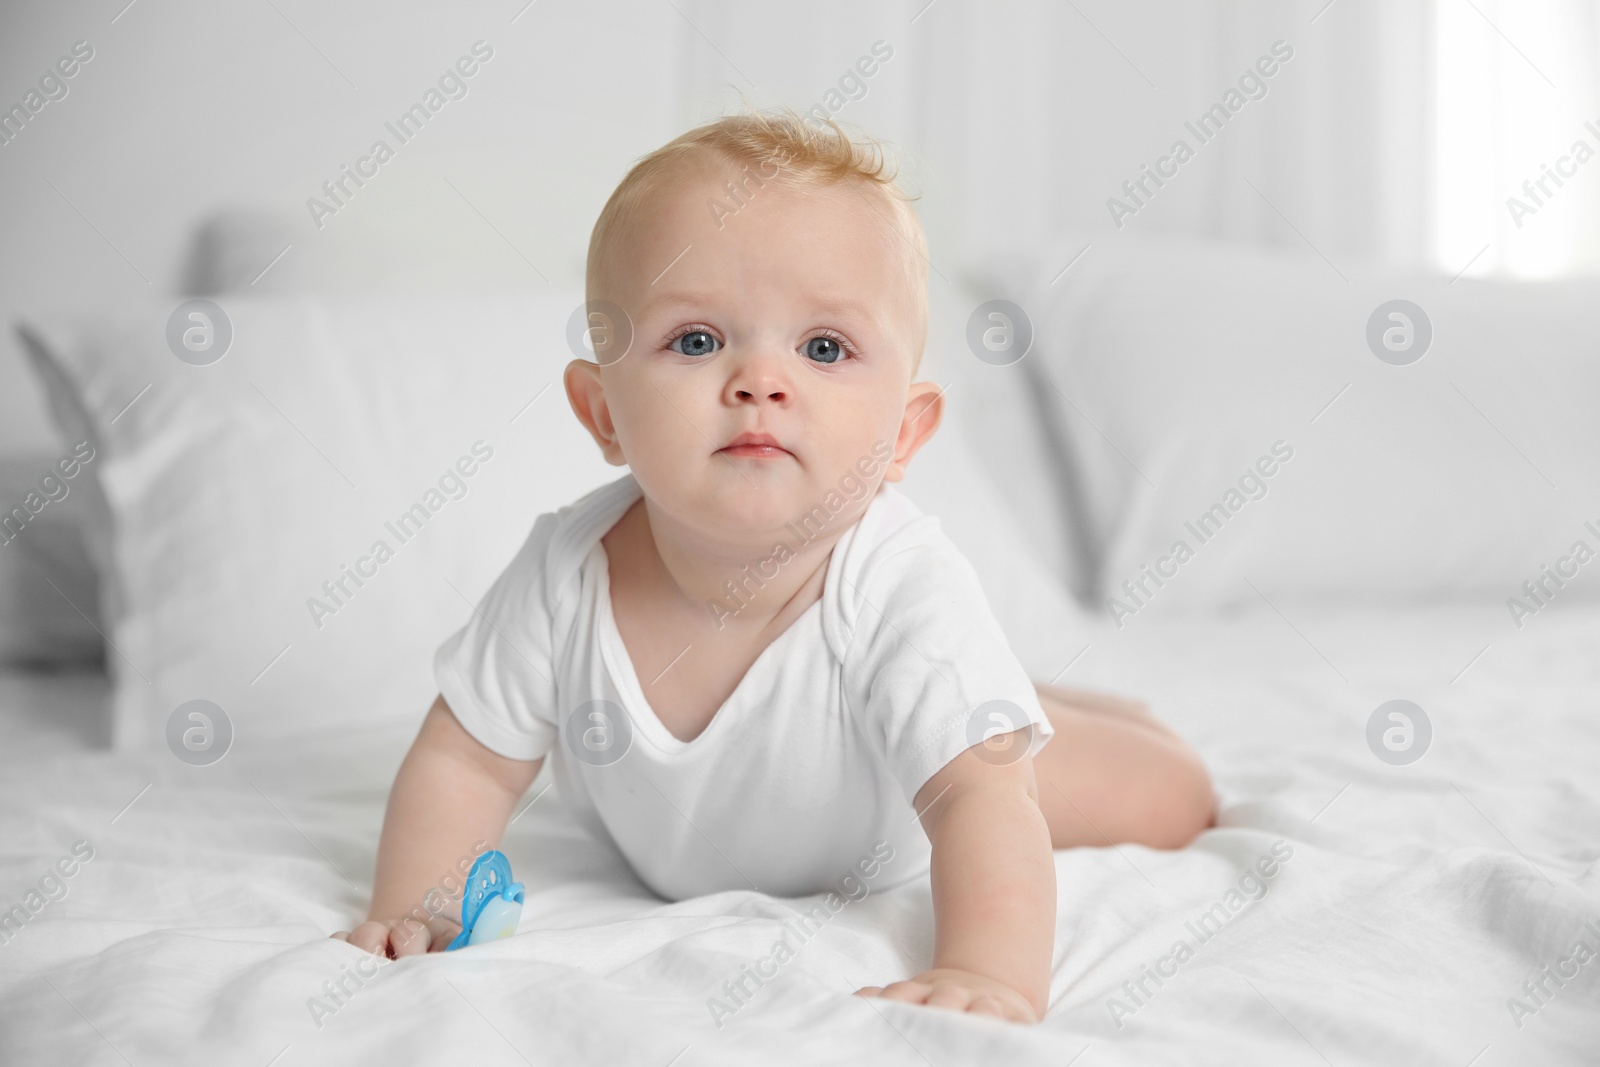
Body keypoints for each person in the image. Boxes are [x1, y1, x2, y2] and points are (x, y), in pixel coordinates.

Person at [335, 107, 1214, 1024]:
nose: (760, 380)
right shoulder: (565, 572)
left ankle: (1022, 706)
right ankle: (981, 691)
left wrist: (990, 971)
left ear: (903, 433)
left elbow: (977, 801)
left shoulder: (897, 582)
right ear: (602, 414)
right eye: (698, 339)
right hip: (849, 730)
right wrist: (417, 905)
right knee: (958, 701)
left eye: (824, 347)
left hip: (906, 804)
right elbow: (467, 761)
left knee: (1166, 794)